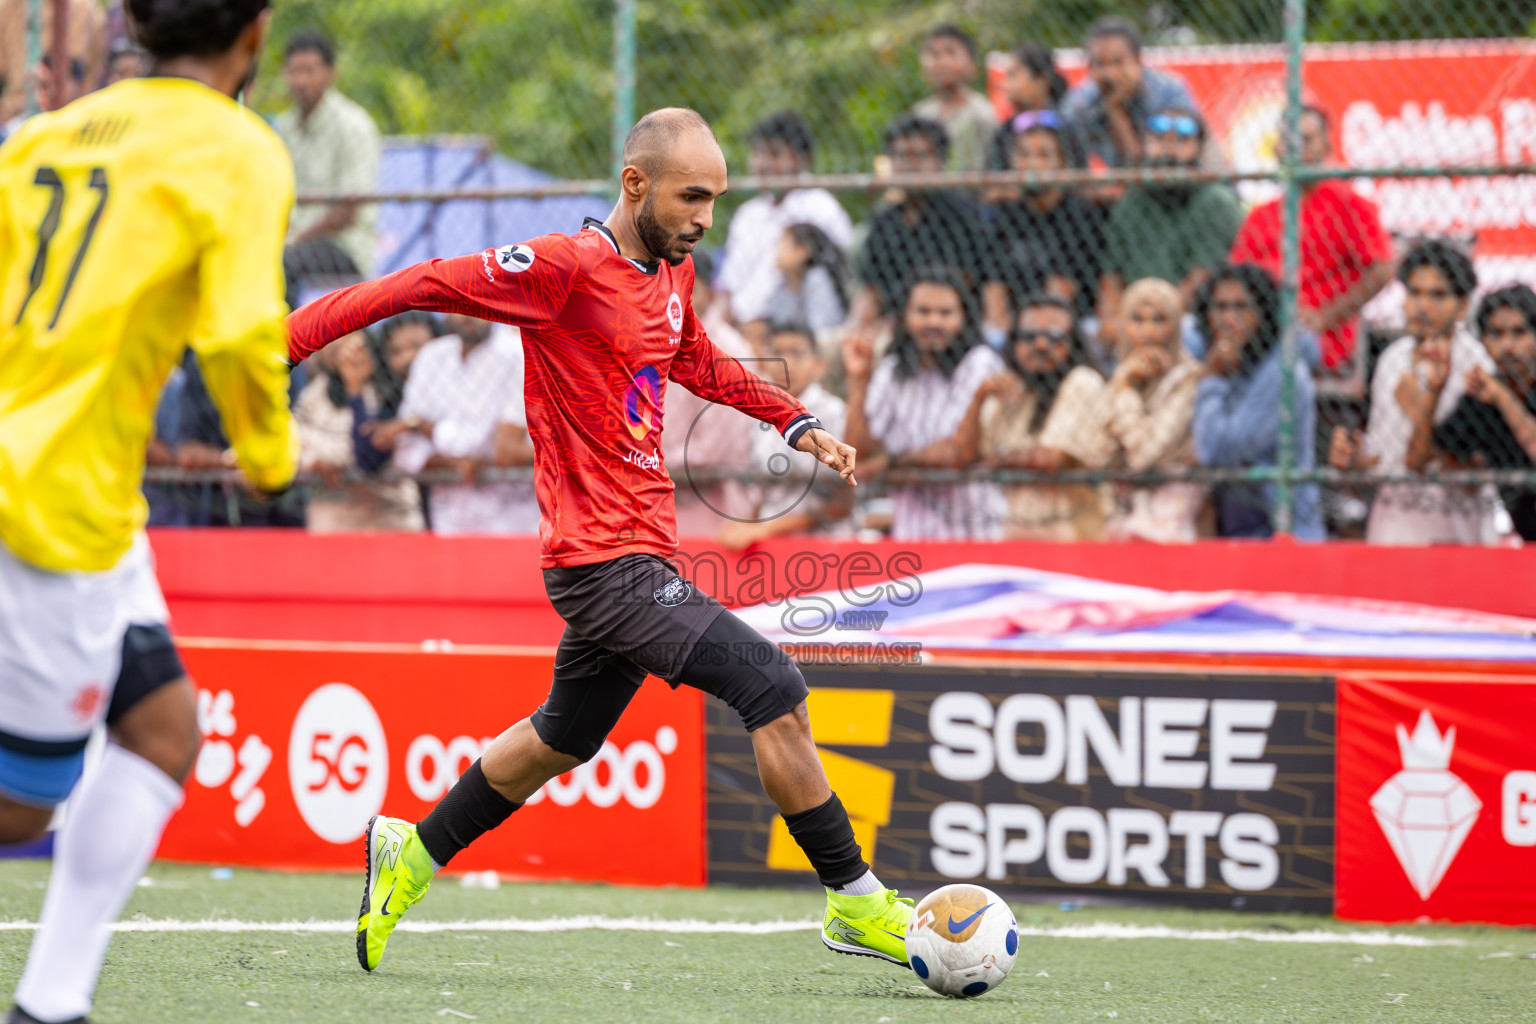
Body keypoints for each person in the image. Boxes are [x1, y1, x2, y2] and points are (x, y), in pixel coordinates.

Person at [285, 107, 912, 974]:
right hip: (599, 563)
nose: (705, 217)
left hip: (640, 554)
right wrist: (282, 342)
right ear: (636, 183)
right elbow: (417, 284)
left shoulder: (671, 272)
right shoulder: (562, 268)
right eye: (692, 196)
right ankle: (856, 902)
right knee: (770, 683)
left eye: (717, 200)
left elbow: (700, 362)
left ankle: (412, 850)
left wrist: (796, 422)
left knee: (562, 738)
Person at [0, 4, 298, 1022]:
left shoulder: (47, 135)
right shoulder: (238, 149)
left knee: (166, 729)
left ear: (128, 24)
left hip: (77, 495)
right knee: (20, 805)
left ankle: (49, 1005)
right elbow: (244, 330)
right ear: (254, 37)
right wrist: (267, 461)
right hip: (51, 508)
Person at [1330, 242, 1500, 545]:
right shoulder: (1393, 359)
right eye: (1415, 293)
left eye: (1437, 295)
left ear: (1462, 306)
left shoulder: (1478, 366)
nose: (1422, 306)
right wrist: (1356, 457)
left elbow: (1475, 476)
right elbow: (1381, 456)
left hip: (1457, 535)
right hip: (1394, 531)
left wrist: (1418, 408)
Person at [1230, 106, 1394, 374]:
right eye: (1288, 140)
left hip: (1318, 337)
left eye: (1306, 140)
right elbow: (1236, 279)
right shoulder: (1259, 216)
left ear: (1326, 146)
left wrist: (1326, 317)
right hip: (1257, 327)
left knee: (1280, 350)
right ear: (1276, 149)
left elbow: (1383, 270)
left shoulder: (1350, 204)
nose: (1296, 149)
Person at [843, 269, 1005, 540]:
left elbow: (958, 454)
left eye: (945, 313)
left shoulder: (980, 363)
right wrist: (859, 380)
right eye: (923, 312)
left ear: (964, 318)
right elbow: (858, 453)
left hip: (975, 532)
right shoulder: (893, 370)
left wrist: (891, 463)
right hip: (911, 535)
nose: (934, 322)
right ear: (905, 318)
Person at [1193, 264, 1325, 539]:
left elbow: (1220, 452)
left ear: (1264, 313)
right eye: (1219, 307)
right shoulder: (1235, 363)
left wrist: (1212, 380)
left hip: (1282, 534)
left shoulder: (1282, 372)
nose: (1228, 319)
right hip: (1241, 532)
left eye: (1242, 308)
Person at [968, 293, 1111, 540]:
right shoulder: (1015, 389)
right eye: (1029, 337)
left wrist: (1001, 458)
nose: (1041, 345)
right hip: (1017, 536)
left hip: (1074, 540)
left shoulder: (1083, 381)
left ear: (1072, 343)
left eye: (1054, 337)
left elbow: (1049, 460)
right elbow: (974, 456)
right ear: (1014, 343)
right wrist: (979, 398)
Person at [1098, 109, 1244, 350]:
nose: (1169, 150)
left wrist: (1150, 322)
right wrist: (1111, 320)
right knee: (1093, 333)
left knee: (1187, 334)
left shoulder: (1215, 200)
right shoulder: (1131, 202)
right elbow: (1111, 278)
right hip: (1134, 315)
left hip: (1192, 315)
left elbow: (1200, 278)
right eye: (1159, 139)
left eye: (1181, 141)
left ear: (1199, 149)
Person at [848, 115, 998, 344]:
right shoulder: (885, 220)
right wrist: (856, 329)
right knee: (836, 344)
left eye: (919, 155)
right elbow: (871, 290)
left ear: (940, 161)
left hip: (946, 321)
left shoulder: (963, 215)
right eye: (899, 156)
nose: (909, 164)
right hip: (892, 320)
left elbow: (965, 285)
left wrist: (896, 323)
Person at [390, 315, 539, 536]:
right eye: (461, 301)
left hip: (513, 517)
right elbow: (405, 442)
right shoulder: (432, 357)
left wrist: (428, 429)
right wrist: (444, 463)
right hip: (448, 519)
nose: (469, 312)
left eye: (477, 299)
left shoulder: (518, 353)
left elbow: (497, 448)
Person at [718, 323, 854, 550]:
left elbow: (841, 504)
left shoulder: (833, 413)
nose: (786, 362)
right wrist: (746, 525)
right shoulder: (757, 413)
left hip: (824, 544)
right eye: (777, 352)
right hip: (769, 543)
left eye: (796, 353)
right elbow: (764, 491)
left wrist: (769, 528)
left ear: (819, 365)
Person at [714, 111, 853, 331]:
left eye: (775, 154)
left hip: (800, 327)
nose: (763, 163)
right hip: (744, 328)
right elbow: (728, 287)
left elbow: (837, 276)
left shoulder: (819, 206)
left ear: (802, 160)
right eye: (758, 153)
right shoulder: (749, 214)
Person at [1099, 279, 1206, 542]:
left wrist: (1124, 391)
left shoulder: (1190, 379)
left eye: (1159, 320)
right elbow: (1096, 453)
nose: (1148, 331)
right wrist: (1124, 380)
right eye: (1137, 319)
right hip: (1123, 507)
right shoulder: (1124, 374)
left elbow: (1145, 456)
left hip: (1173, 512)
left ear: (1176, 327)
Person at [274, 30, 381, 285]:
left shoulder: (353, 125)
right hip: (291, 242)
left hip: (342, 247)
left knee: (280, 265)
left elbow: (347, 211)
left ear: (330, 74)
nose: (300, 80)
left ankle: (289, 327)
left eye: (309, 71)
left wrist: (294, 239)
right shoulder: (284, 126)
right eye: (294, 71)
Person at [663, 248, 758, 533]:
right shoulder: (656, 339)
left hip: (713, 509)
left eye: (684, 284)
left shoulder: (727, 349)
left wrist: (642, 465)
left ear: (710, 295)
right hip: (661, 498)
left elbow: (715, 451)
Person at [1431, 284, 1536, 540]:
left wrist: (1502, 396)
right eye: (1497, 334)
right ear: (1484, 341)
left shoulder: (1494, 392)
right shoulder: (1482, 395)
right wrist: (1433, 392)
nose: (1508, 346)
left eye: (1519, 333)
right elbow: (1445, 455)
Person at [295, 331, 424, 533]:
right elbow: (293, 442)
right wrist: (312, 459)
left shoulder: (389, 392)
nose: (344, 351)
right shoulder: (315, 393)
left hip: (388, 519)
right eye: (335, 340)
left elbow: (366, 458)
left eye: (352, 343)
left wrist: (355, 389)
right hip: (331, 521)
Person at [989, 112, 1105, 325]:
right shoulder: (1004, 213)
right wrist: (999, 330)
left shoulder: (1080, 215)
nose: (1032, 164)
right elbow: (995, 287)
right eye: (1024, 154)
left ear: (1061, 163)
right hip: (1013, 321)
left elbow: (1061, 290)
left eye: (1044, 155)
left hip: (1069, 321)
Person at [1060, 16, 1198, 169]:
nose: (1109, 74)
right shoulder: (1080, 104)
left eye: (1118, 62)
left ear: (1138, 61)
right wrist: (1114, 110)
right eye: (1099, 64)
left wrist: (1115, 108)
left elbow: (1173, 157)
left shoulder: (1168, 91)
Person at [0, 0, 106, 125]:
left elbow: (90, 73)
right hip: (14, 114)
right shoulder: (8, 7)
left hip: (70, 117)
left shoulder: (86, 10)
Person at [911, 23, 997, 174]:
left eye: (950, 52)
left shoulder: (983, 114)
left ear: (972, 65)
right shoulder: (920, 113)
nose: (941, 62)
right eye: (933, 54)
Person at [756, 222, 848, 338]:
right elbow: (773, 320)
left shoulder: (817, 279)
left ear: (802, 251)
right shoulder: (784, 283)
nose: (777, 252)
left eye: (782, 245)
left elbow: (819, 329)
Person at [989, 43, 1068, 174]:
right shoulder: (1004, 133)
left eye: (1013, 75)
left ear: (1041, 81)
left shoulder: (1064, 129)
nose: (1004, 84)